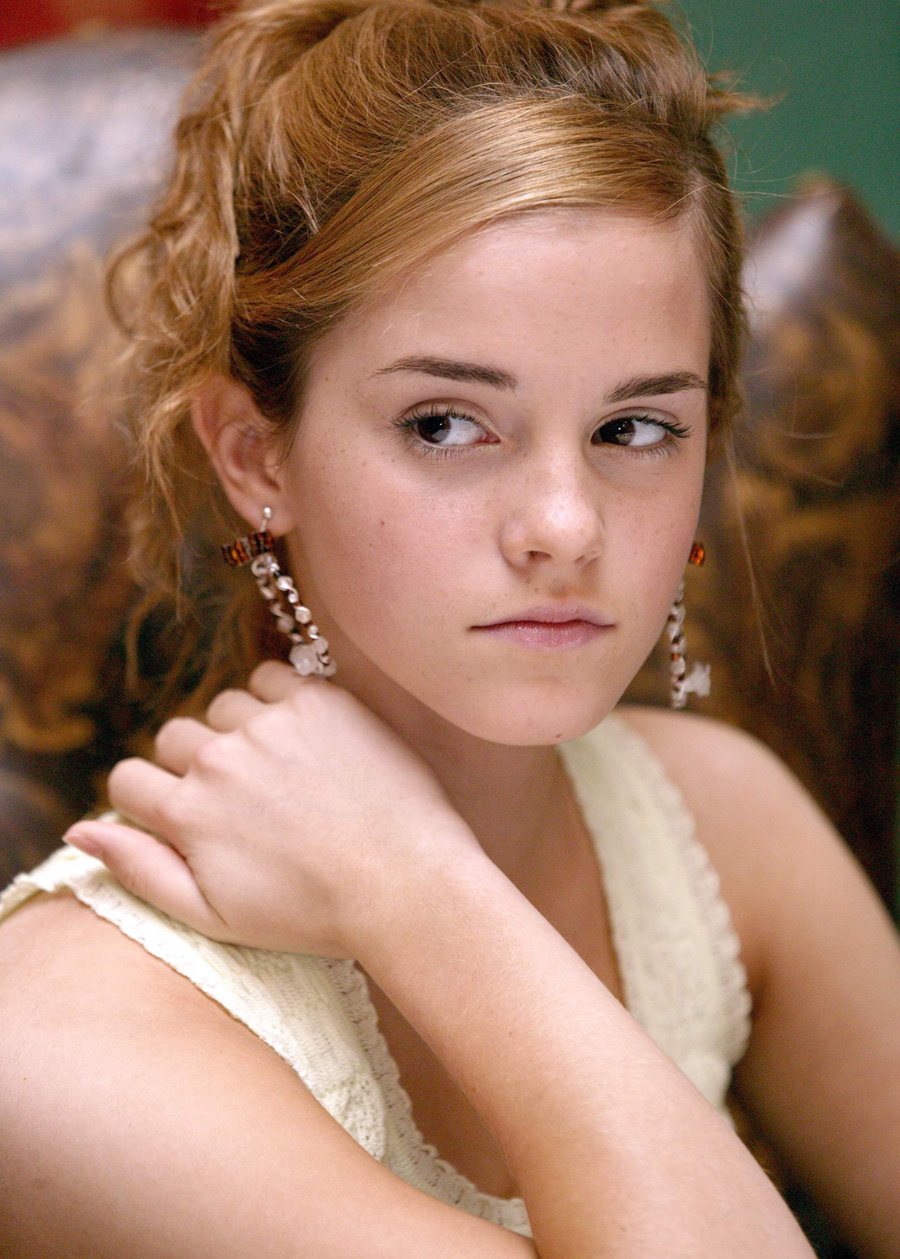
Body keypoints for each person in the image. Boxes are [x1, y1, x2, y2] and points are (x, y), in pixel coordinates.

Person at [0, 0, 898, 1255]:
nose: (564, 526)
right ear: (256, 455)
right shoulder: (60, 1037)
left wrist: (419, 886)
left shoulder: (725, 817)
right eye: (444, 424)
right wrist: (419, 894)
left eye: (636, 428)